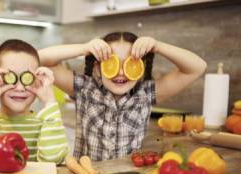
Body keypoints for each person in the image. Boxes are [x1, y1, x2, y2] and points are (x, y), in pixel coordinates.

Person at [38, 32, 207, 160]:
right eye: (112, 63)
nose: (120, 72)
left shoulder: (146, 93)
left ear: (140, 67)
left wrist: (157, 46)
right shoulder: (84, 88)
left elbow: (197, 67)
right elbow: (39, 58)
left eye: (130, 63)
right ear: (98, 68)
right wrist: (84, 48)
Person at [0, 39, 68, 164]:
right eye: (10, 77)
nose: (20, 88)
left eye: (27, 77)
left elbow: (53, 160)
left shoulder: (45, 124)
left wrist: (49, 101)